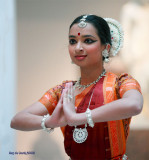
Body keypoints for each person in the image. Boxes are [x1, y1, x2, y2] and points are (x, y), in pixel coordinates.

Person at [11, 14, 143, 160]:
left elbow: (134, 104)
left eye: (88, 41)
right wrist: (49, 122)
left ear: (106, 47)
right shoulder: (64, 91)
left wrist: (77, 118)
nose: (78, 48)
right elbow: (17, 120)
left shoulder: (121, 83)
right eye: (73, 41)